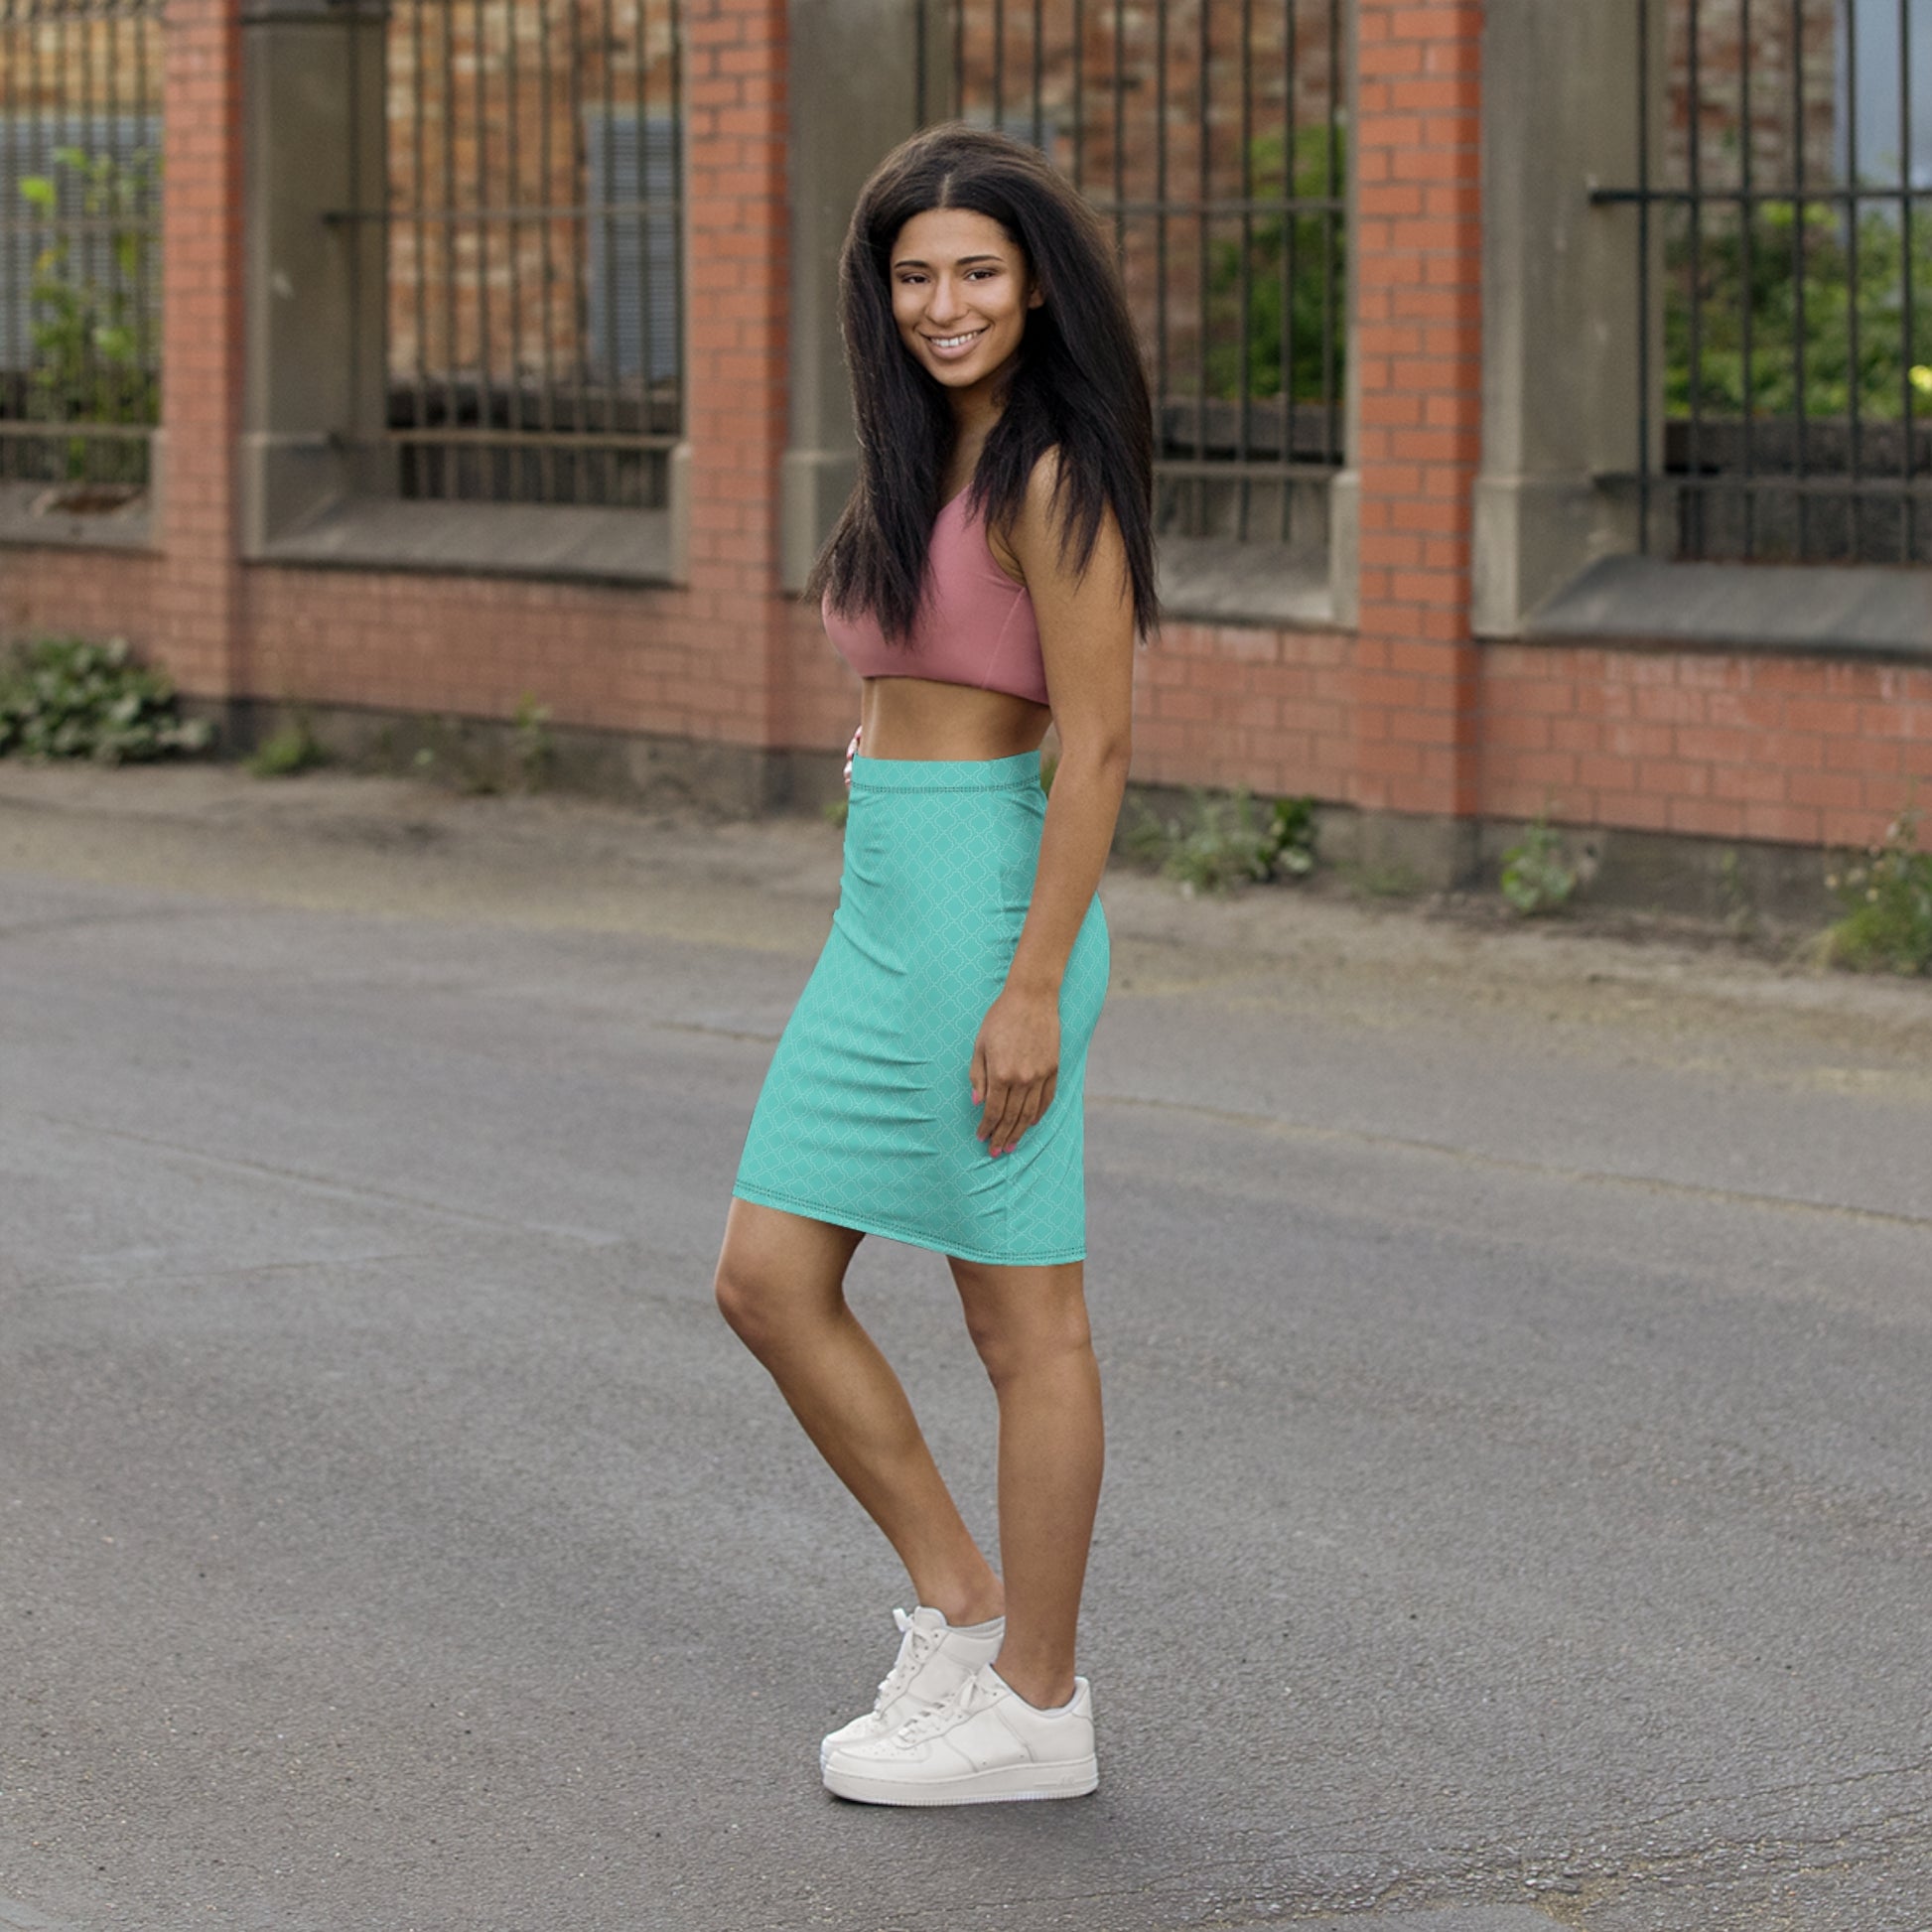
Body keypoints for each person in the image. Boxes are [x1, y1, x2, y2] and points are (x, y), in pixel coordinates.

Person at [712, 122, 1158, 1808]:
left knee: (1021, 1318)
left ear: (1035, 285)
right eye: (914, 275)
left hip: (989, 914)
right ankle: (961, 1608)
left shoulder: (1051, 472)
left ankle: (1038, 1702)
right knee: (765, 1276)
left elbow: (1096, 746)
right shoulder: (921, 456)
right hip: (883, 909)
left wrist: (1033, 983)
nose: (944, 303)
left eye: (977, 270)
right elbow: (906, 672)